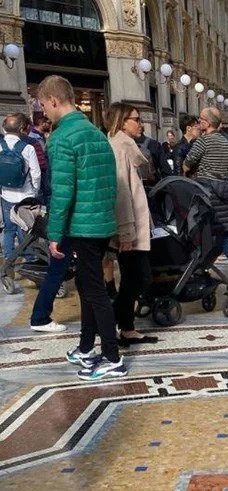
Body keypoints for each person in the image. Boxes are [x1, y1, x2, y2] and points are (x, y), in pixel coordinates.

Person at [38, 75, 123, 380]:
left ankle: (112, 357)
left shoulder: (61, 138)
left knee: (94, 291)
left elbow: (62, 192)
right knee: (88, 287)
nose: (43, 111)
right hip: (100, 223)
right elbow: (111, 183)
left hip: (82, 226)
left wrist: (54, 233)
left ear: (53, 100)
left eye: (43, 105)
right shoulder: (96, 133)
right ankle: (87, 346)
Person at [104, 102, 157, 348]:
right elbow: (122, 193)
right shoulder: (119, 147)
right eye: (136, 119)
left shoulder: (125, 146)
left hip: (134, 225)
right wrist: (125, 232)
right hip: (129, 228)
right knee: (138, 278)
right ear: (122, 121)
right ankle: (112, 324)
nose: (140, 124)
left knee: (133, 279)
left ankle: (126, 328)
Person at [183, 106, 228, 292]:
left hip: (205, 194)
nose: (199, 122)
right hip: (222, 193)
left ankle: (195, 272)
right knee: (224, 235)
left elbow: (186, 165)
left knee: (196, 233)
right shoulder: (227, 142)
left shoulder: (203, 141)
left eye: (201, 119)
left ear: (207, 122)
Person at [0, 113, 41, 266]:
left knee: (9, 229)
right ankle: (29, 259)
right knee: (25, 228)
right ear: (22, 129)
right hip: (25, 195)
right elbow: (36, 174)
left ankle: (8, 259)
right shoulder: (28, 148)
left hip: (6, 195)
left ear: (4, 128)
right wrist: (35, 191)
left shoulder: (0, 146)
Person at [23, 114, 50, 206]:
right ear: (42, 124)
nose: (49, 125)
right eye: (48, 123)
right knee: (42, 192)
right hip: (39, 168)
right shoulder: (33, 138)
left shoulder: (40, 136)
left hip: (42, 168)